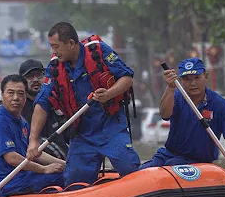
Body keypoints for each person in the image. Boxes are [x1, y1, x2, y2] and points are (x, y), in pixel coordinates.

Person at [27, 22, 142, 186]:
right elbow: (42, 103)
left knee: (128, 166)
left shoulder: (98, 51)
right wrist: (33, 140)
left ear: (71, 43)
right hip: (82, 133)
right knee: (74, 180)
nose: (53, 52)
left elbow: (127, 78)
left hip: (110, 127)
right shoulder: (55, 67)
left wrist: (108, 94)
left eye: (56, 46)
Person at [140, 58, 225, 183]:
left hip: (198, 163)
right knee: (140, 173)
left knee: (172, 167)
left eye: (197, 77)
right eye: (187, 79)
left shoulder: (220, 104)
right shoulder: (176, 96)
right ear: (180, 80)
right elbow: (165, 114)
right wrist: (170, 87)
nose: (192, 84)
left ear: (205, 76)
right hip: (169, 154)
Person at [0, 74, 66, 196]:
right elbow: (12, 158)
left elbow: (34, 153)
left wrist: (63, 163)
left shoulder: (22, 121)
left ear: (25, 97)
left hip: (25, 176)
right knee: (65, 177)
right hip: (10, 183)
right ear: (2, 94)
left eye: (20, 94)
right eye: (11, 93)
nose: (16, 98)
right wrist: (44, 169)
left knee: (68, 170)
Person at [19, 58, 69, 159]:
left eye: (39, 75)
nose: (35, 80)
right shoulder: (18, 108)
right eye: (30, 76)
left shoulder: (57, 101)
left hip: (65, 158)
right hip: (36, 162)